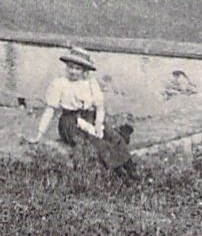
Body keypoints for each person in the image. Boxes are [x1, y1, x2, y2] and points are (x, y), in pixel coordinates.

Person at [27, 46, 135, 177]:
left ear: (84, 71)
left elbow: (100, 108)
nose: (72, 71)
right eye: (70, 67)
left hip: (89, 117)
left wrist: (98, 126)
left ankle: (131, 170)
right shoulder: (60, 83)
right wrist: (39, 134)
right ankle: (118, 173)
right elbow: (50, 110)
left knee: (112, 136)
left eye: (77, 68)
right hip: (69, 122)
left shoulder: (91, 84)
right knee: (94, 142)